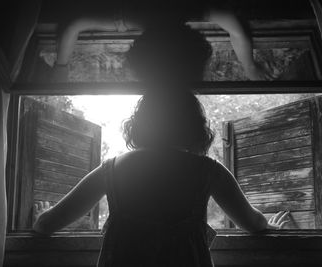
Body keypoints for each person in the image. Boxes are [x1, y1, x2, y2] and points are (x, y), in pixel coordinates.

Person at [33, 23, 289, 266]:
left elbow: (47, 224)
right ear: (193, 126)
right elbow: (253, 222)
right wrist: (271, 224)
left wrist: (41, 216)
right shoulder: (208, 171)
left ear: (141, 124)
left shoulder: (113, 169)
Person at [49, 1, 275, 82]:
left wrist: (250, 67)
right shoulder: (130, 15)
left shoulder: (190, 7)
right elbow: (74, 25)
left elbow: (234, 27)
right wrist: (61, 66)